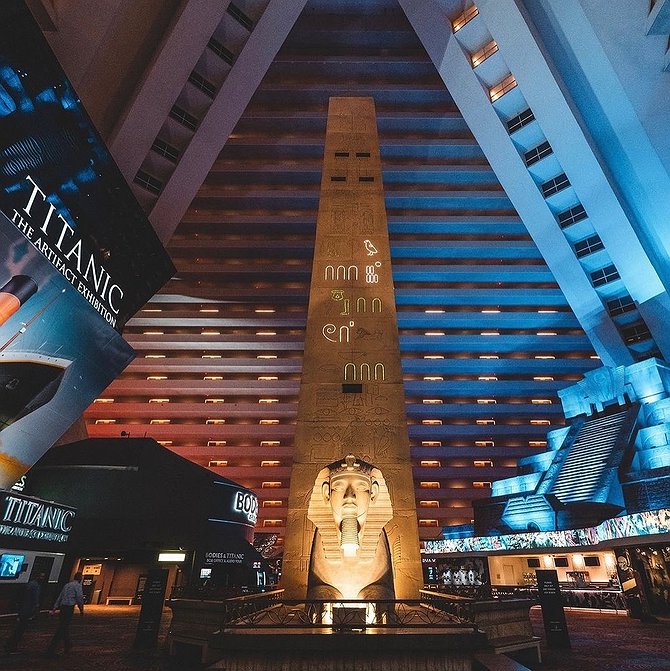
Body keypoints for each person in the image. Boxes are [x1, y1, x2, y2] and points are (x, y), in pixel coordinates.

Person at [4, 572, 44, 654]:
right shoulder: (35, 586)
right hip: (28, 609)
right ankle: (11, 646)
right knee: (20, 629)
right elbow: (35, 599)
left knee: (19, 628)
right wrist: (36, 609)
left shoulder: (29, 584)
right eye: (41, 576)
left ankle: (10, 644)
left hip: (23, 608)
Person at [45, 572, 84, 657]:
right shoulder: (77, 586)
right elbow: (79, 598)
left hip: (62, 608)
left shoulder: (67, 585)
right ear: (80, 578)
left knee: (63, 626)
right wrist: (81, 610)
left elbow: (60, 596)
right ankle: (51, 649)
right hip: (69, 608)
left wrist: (55, 608)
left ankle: (67, 644)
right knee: (62, 628)